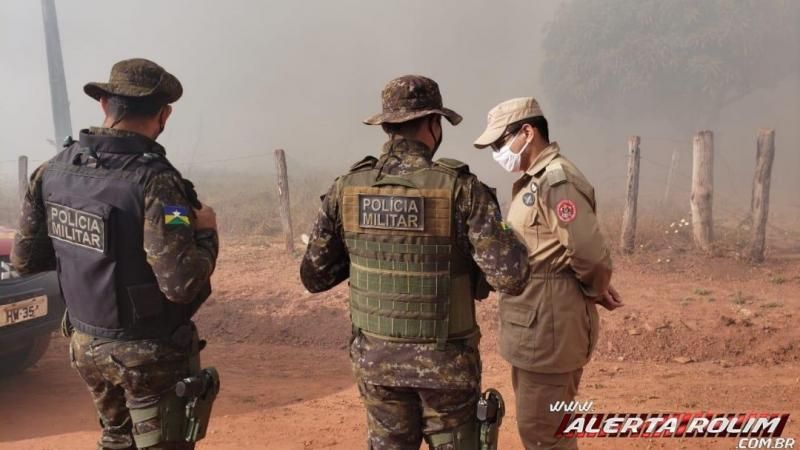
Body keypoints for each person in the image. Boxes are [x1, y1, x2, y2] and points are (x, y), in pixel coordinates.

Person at [300, 75, 529, 450]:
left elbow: (314, 276)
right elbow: (511, 276)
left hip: (377, 364)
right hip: (446, 368)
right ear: (433, 124)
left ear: (388, 125)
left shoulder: (347, 188)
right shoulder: (462, 189)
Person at [11, 58, 220, 450]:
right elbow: (181, 283)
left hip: (86, 342)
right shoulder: (157, 182)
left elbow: (25, 261)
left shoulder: (52, 171)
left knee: (117, 440)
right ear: (164, 114)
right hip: (147, 354)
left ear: (104, 104)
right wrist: (207, 233)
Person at [473, 97, 623, 450]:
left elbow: (589, 253)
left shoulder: (555, 180)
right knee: (543, 429)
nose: (497, 151)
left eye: (500, 142)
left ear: (527, 132)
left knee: (545, 436)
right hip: (537, 327)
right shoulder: (534, 181)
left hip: (548, 331)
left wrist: (595, 288)